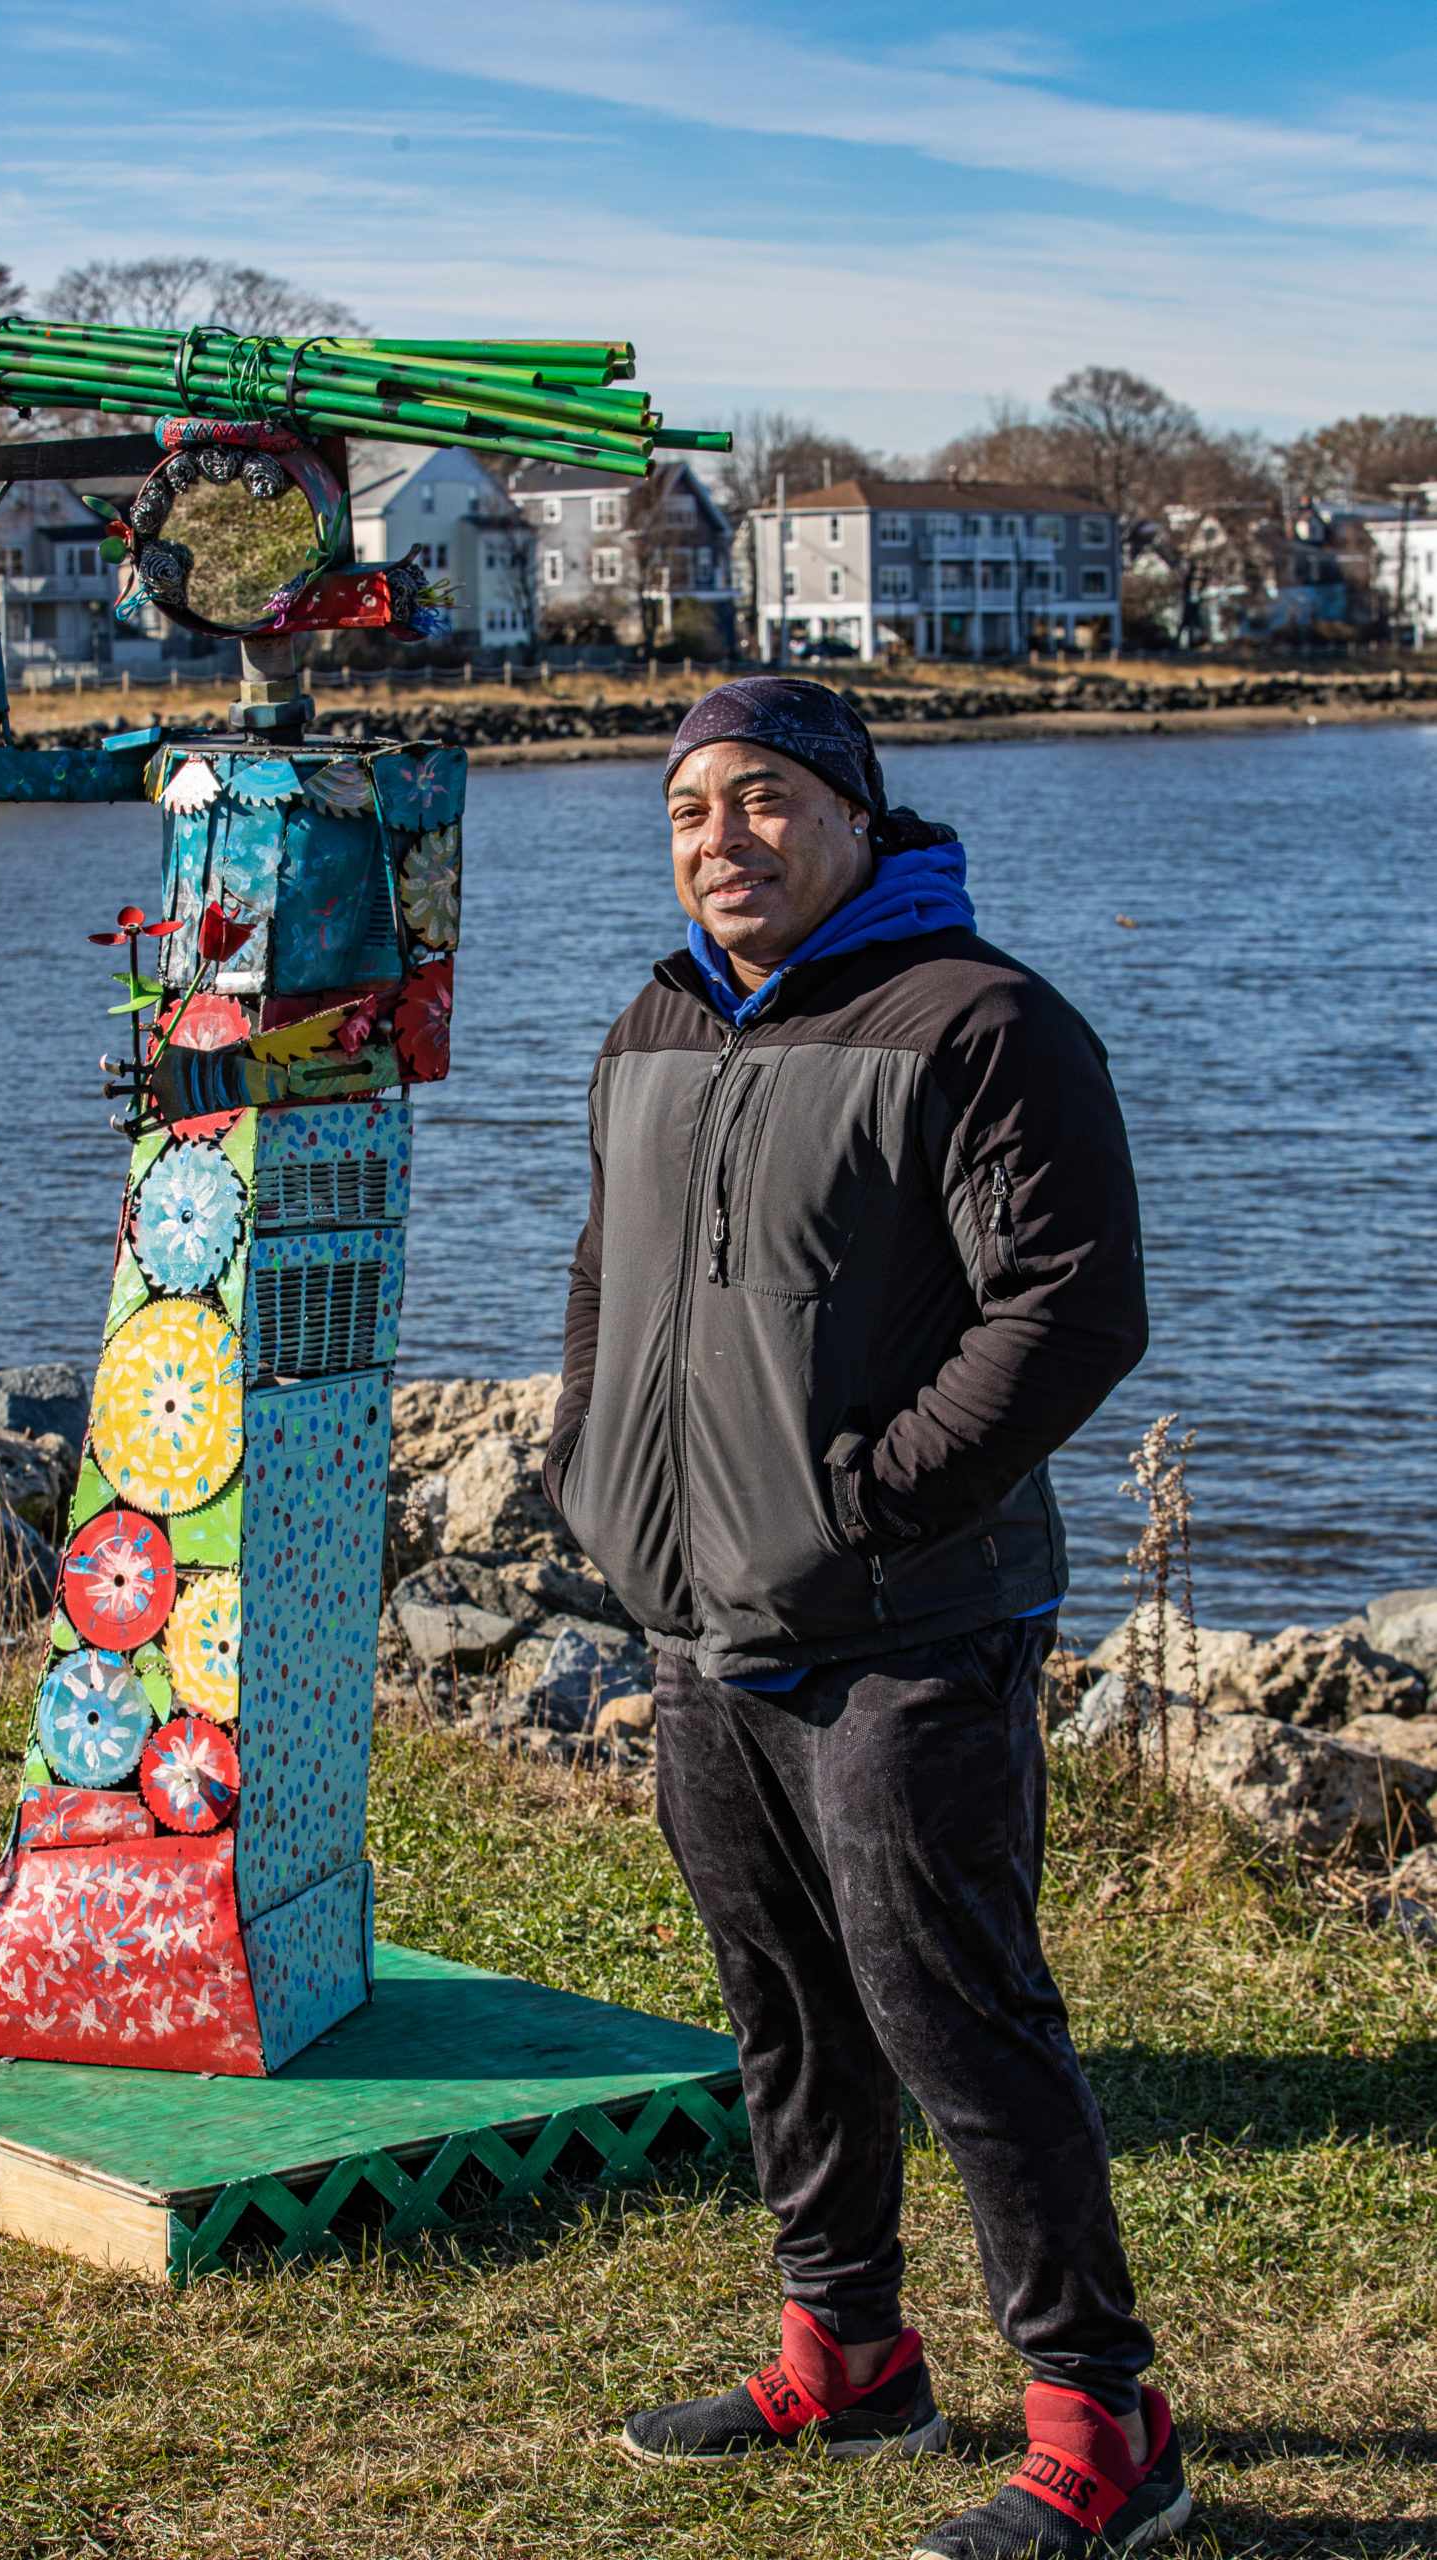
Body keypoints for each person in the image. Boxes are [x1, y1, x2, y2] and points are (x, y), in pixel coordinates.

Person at [541, 677, 1191, 2560]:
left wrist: (867, 1501)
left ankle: (1105, 2417)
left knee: (951, 2012)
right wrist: (592, 1459)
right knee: (787, 2009)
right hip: (697, 1618)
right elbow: (609, 1276)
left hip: (907, 1620)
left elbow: (1069, 1312)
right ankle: (846, 2352)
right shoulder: (655, 1018)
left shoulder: (979, 1021)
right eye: (687, 811)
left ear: (853, 814)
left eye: (761, 802)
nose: (719, 842)